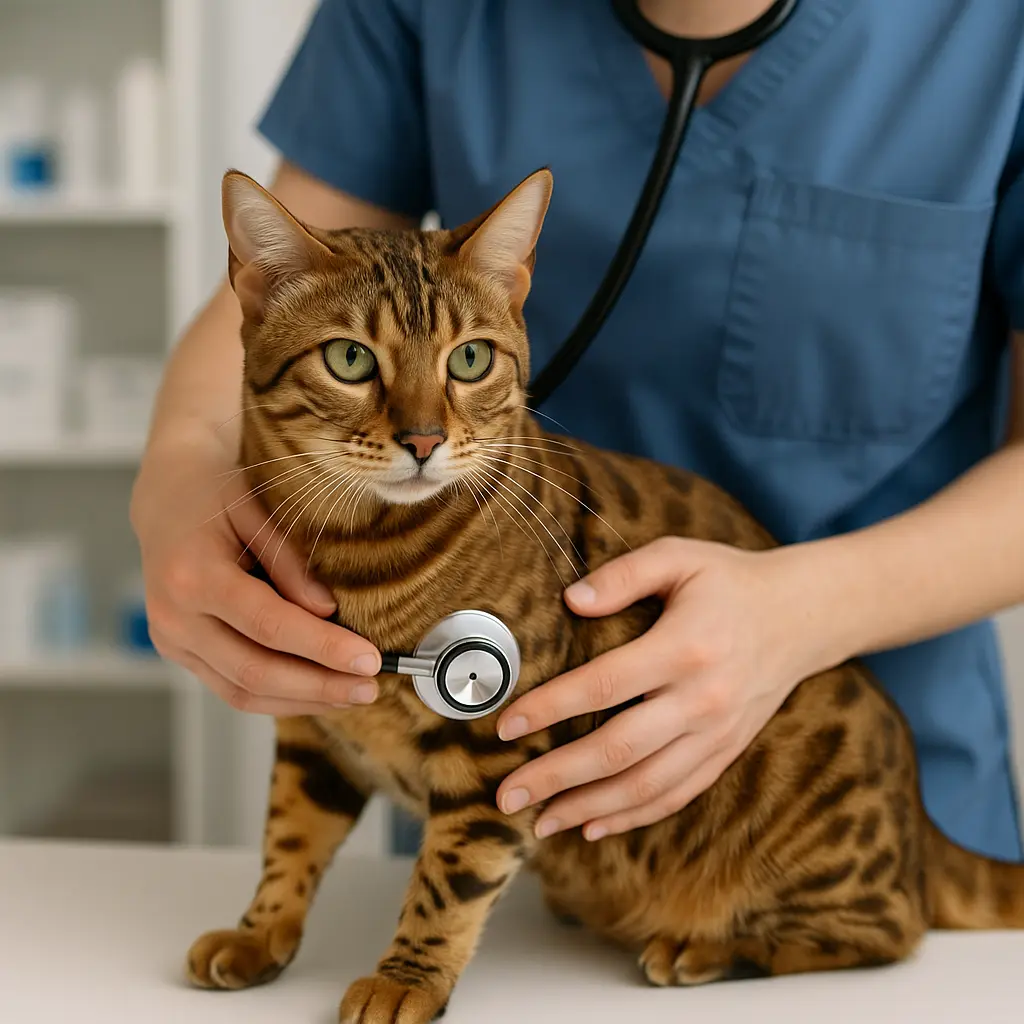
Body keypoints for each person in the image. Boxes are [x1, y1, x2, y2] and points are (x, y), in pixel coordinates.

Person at [130, 0, 1024, 860]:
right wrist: (178, 473)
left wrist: (805, 613)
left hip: (836, 805)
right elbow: (290, 279)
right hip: (479, 761)